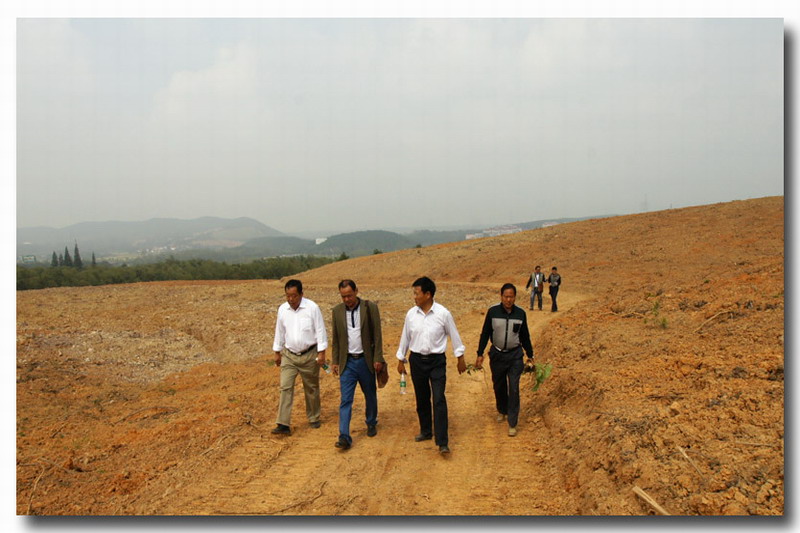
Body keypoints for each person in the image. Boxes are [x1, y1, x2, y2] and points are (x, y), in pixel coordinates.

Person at [396, 276, 466, 455]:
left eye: (416, 293)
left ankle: (442, 441)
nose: (414, 297)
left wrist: (460, 357)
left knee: (439, 399)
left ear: (428, 294)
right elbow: (405, 337)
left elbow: (454, 335)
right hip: (417, 361)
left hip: (437, 362)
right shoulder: (411, 315)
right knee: (422, 398)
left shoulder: (443, 314)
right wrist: (401, 359)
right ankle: (426, 431)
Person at [330, 279, 386, 450]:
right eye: (343, 296)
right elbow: (336, 338)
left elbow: (377, 335)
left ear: (356, 291)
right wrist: (335, 361)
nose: (347, 299)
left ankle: (371, 422)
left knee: (370, 394)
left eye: (349, 295)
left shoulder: (370, 308)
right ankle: (344, 436)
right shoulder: (337, 311)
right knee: (346, 399)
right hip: (347, 362)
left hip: (365, 360)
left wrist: (378, 358)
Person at [475, 283, 534, 437]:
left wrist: (530, 355)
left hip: (515, 356)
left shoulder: (520, 314)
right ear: (501, 296)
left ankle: (512, 422)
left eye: (511, 297)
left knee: (514, 388)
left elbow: (525, 336)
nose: (508, 300)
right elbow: (485, 333)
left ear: (515, 297)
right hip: (497, 355)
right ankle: (502, 409)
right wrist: (480, 353)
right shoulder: (493, 312)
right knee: (499, 384)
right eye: (506, 296)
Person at [271, 279, 328, 435]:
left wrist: (321, 352)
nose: (291, 299)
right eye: (288, 296)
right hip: (289, 355)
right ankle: (283, 423)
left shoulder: (312, 308)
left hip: (309, 355)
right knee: (285, 387)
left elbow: (320, 330)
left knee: (311, 387)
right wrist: (277, 351)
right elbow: (280, 331)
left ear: (301, 294)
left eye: (294, 296)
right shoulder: (282, 310)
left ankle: (314, 417)